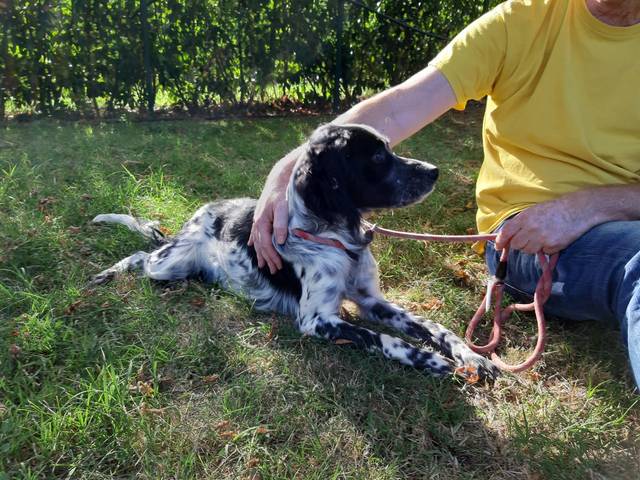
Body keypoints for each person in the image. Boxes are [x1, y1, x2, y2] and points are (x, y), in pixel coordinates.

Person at [248, 0, 640, 390]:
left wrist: (589, 206)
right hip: (526, 235)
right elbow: (400, 108)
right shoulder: (523, 20)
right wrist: (288, 171)